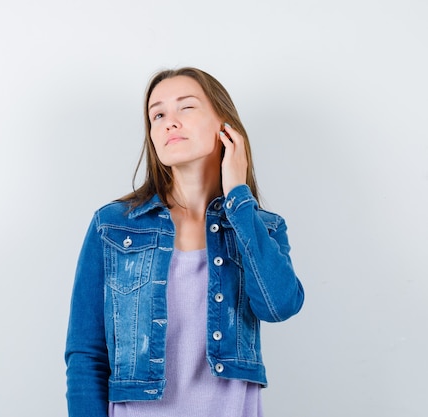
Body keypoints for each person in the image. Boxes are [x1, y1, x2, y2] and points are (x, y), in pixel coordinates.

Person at [64, 67, 305, 417]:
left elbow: (279, 305)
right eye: (157, 114)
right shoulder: (114, 226)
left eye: (186, 107)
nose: (169, 122)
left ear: (225, 126)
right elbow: (87, 353)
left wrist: (238, 198)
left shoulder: (260, 227)